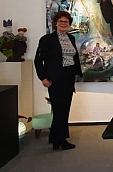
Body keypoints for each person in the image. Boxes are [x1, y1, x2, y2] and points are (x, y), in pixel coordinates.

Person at [34, 11, 83, 150]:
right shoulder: (46, 39)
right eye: (60, 21)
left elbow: (74, 58)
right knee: (58, 109)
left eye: (66, 21)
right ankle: (61, 140)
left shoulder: (71, 38)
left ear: (69, 24)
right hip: (55, 78)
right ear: (55, 23)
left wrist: (76, 74)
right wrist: (43, 78)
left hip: (68, 76)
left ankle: (55, 138)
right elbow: (38, 60)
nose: (63, 23)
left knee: (65, 108)